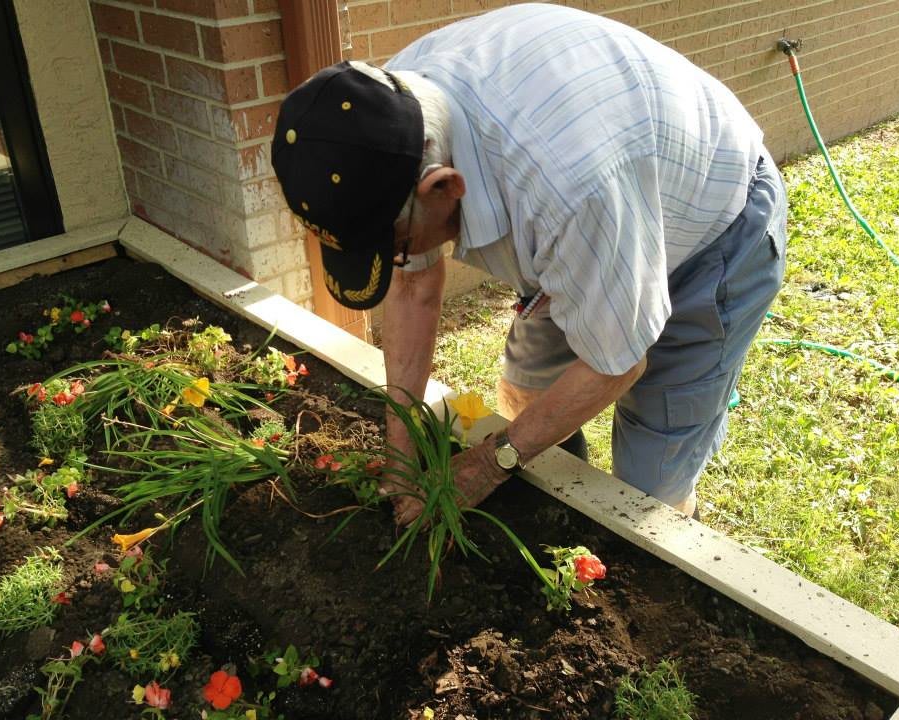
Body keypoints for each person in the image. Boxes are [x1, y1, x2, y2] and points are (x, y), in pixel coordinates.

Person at [271, 3, 787, 525]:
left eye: (397, 245)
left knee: (646, 492)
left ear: (444, 186)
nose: (400, 259)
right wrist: (402, 449)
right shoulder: (392, 120)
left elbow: (617, 363)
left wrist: (489, 464)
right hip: (601, 218)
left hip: (714, 230)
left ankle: (672, 529)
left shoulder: (567, 189)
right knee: (526, 390)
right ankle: (561, 503)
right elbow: (413, 287)